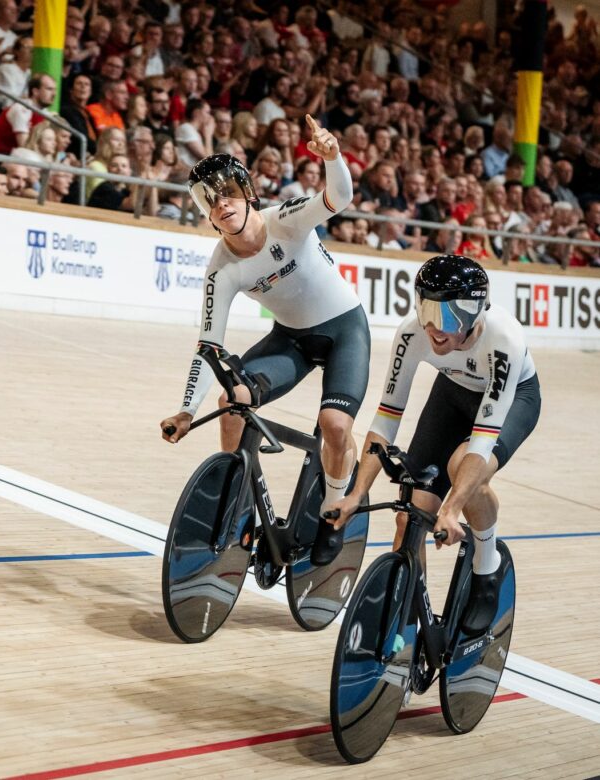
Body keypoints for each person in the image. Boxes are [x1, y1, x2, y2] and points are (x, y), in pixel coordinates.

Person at [159, 115, 369, 567]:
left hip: (344, 331)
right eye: (209, 202)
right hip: (291, 340)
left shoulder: (286, 221)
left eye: (227, 193)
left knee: (335, 427)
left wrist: (333, 158)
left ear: (247, 193)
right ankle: (232, 501)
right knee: (232, 399)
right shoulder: (222, 269)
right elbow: (208, 346)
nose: (221, 205)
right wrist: (185, 410)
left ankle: (333, 512)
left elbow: (340, 197)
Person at [329, 255, 540, 636]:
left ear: (474, 311)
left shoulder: (503, 339)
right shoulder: (412, 334)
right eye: (426, 309)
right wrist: (357, 493)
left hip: (512, 402)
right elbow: (386, 418)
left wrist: (452, 509)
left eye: (446, 316)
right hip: (453, 395)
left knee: (464, 467)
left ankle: (486, 566)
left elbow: (483, 439)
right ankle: (407, 628)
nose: (433, 328)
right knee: (409, 515)